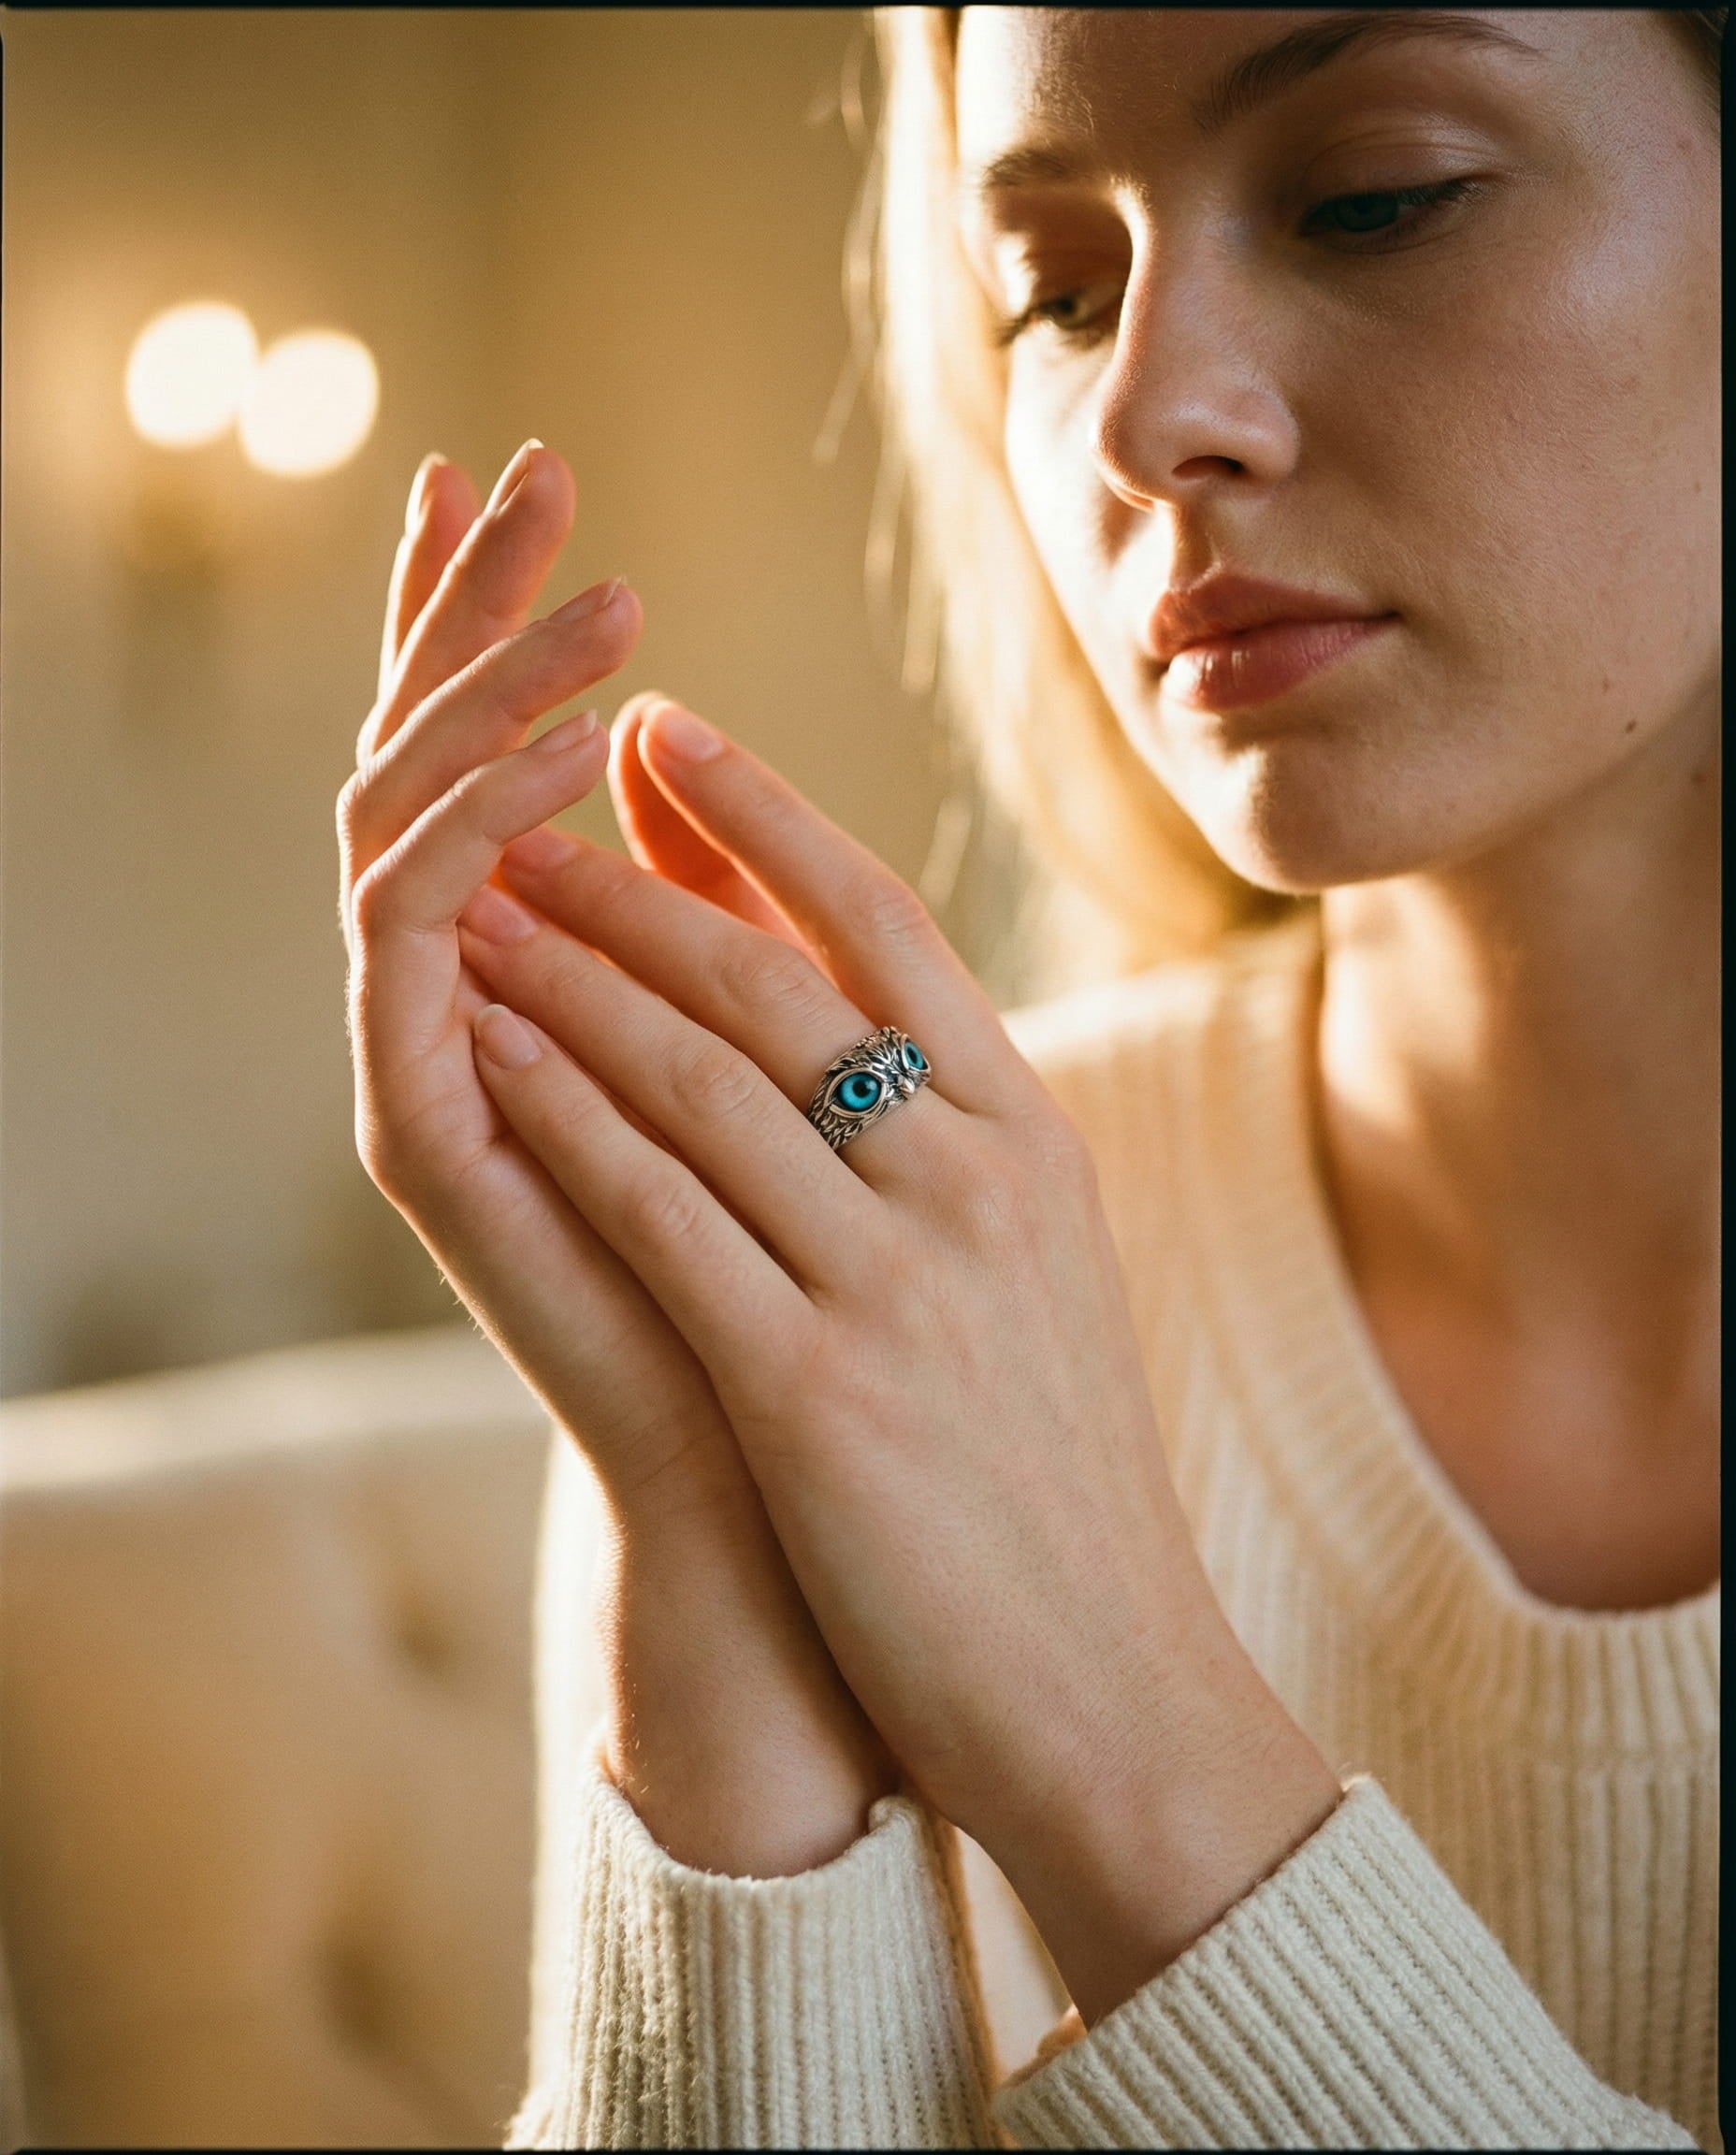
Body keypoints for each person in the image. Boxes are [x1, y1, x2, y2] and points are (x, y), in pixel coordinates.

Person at [337, 8, 1719, 2147]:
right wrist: (700, 1545)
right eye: (1056, 294)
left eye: (1378, 197)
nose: (1143, 415)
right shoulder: (854, 1262)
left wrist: (1128, 1748)